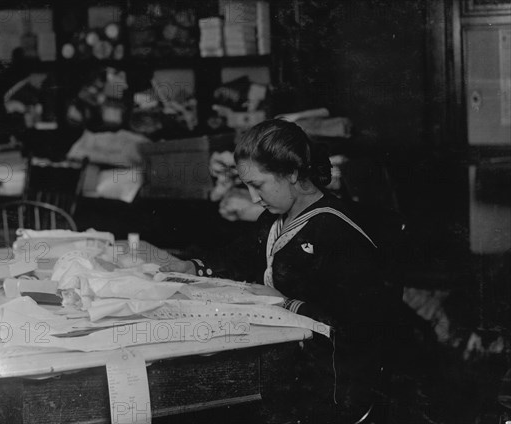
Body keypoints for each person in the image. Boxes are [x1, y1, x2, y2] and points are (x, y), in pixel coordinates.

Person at [162, 118, 394, 422]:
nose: (254, 198)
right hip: (288, 361)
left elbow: (358, 325)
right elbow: (240, 257)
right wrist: (191, 267)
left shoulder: (336, 232)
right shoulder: (275, 219)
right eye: (247, 186)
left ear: (292, 172)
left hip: (333, 384)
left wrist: (284, 303)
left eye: (258, 185)